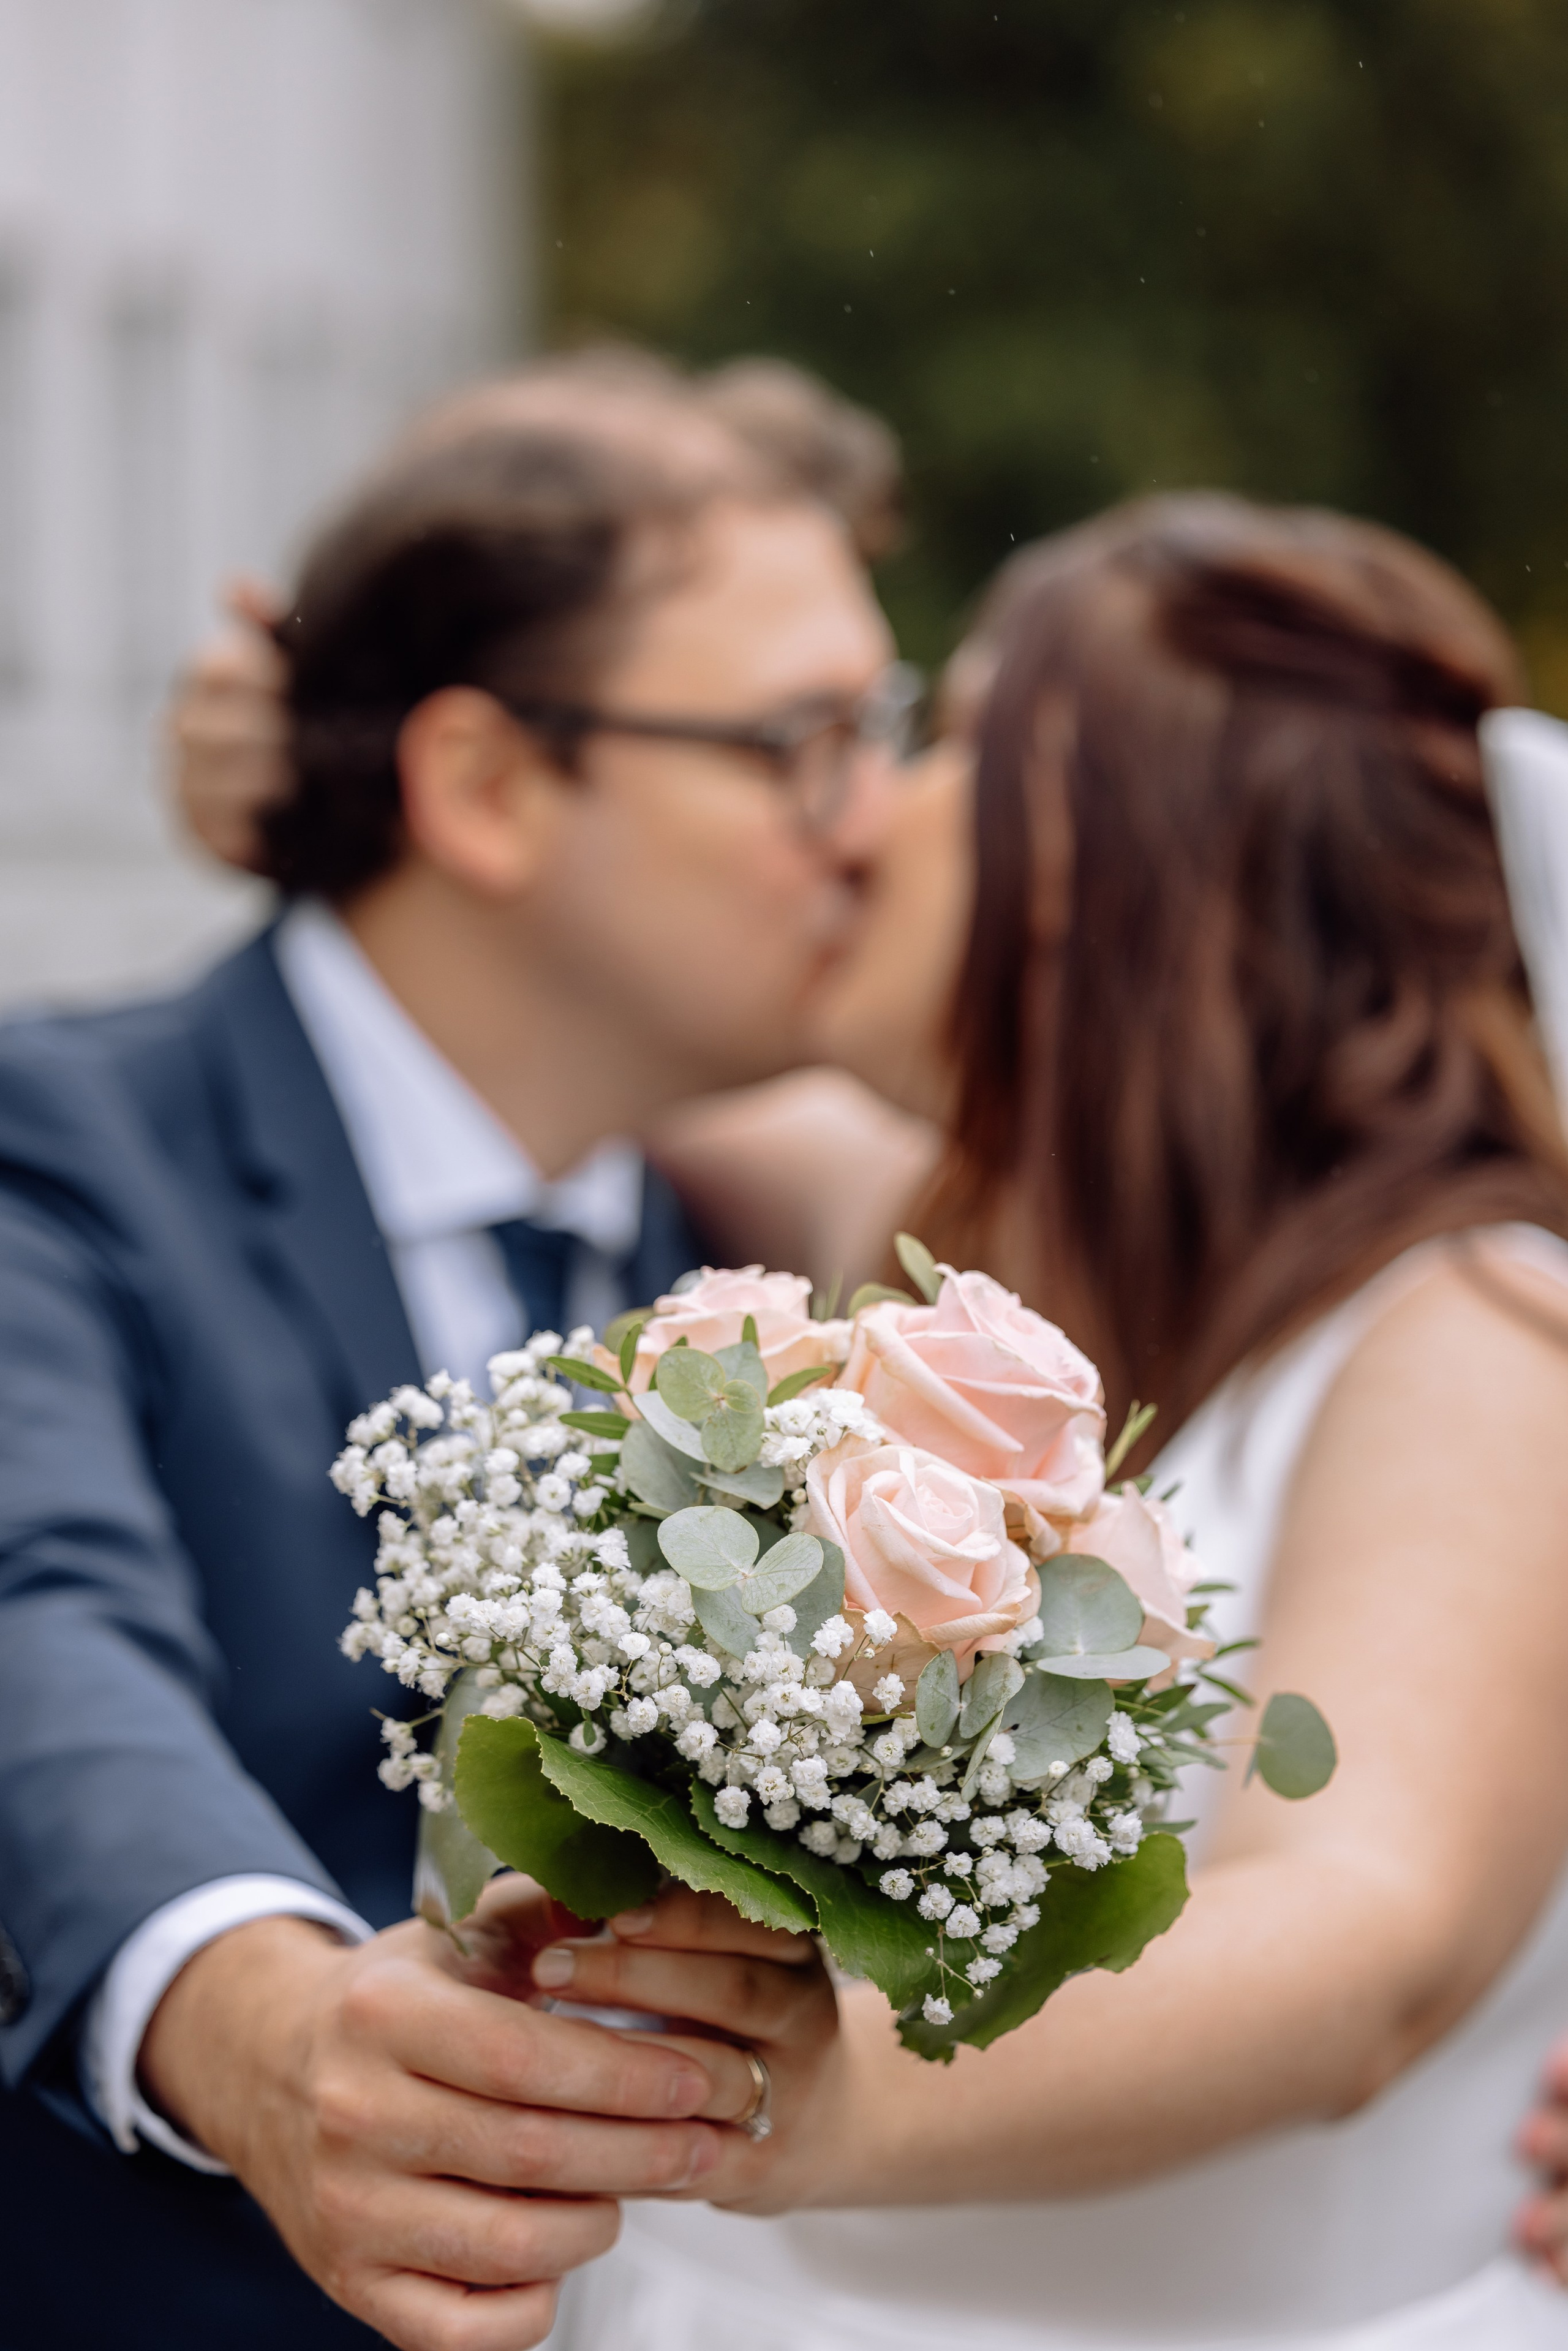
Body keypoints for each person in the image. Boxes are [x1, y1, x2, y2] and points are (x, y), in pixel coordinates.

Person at [515, 494, 1568, 2350]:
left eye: (949, 741)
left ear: (1094, 840)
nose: (863, 809)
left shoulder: (1478, 1328)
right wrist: (341, 775)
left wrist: (825, 2081)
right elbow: (567, 1031)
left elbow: (1366, 1933)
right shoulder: (934, 1234)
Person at [0, 352, 903, 2349]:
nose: (878, 827)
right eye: (804, 741)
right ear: (489, 785)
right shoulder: (51, 1147)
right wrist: (255, 2019)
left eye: (889, 732)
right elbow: (30, 1627)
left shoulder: (762, 1264)